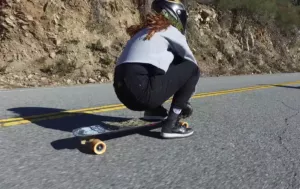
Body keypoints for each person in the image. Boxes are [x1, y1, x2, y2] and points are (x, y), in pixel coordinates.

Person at [113, 0, 200, 139]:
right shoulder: (171, 31)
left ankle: (153, 111)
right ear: (177, 15)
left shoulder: (145, 32)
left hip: (121, 90)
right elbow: (191, 65)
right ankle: (171, 125)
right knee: (192, 68)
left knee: (157, 64)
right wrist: (183, 102)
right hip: (143, 92)